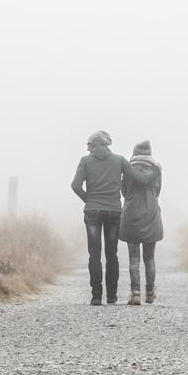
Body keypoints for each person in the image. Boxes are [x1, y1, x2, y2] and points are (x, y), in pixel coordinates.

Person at [71, 130, 149, 305]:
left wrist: (89, 199)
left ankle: (96, 296)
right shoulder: (119, 160)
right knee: (111, 254)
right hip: (114, 211)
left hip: (92, 211)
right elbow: (139, 179)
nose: (88, 148)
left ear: (93, 144)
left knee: (94, 254)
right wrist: (154, 169)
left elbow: (75, 185)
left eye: (89, 145)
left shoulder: (85, 161)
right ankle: (112, 296)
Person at [119, 140, 162, 305]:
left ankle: (135, 293)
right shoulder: (156, 170)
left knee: (134, 257)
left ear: (134, 155)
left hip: (131, 215)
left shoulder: (128, 171)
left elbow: (123, 191)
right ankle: (150, 293)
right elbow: (157, 191)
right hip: (151, 214)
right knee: (150, 258)